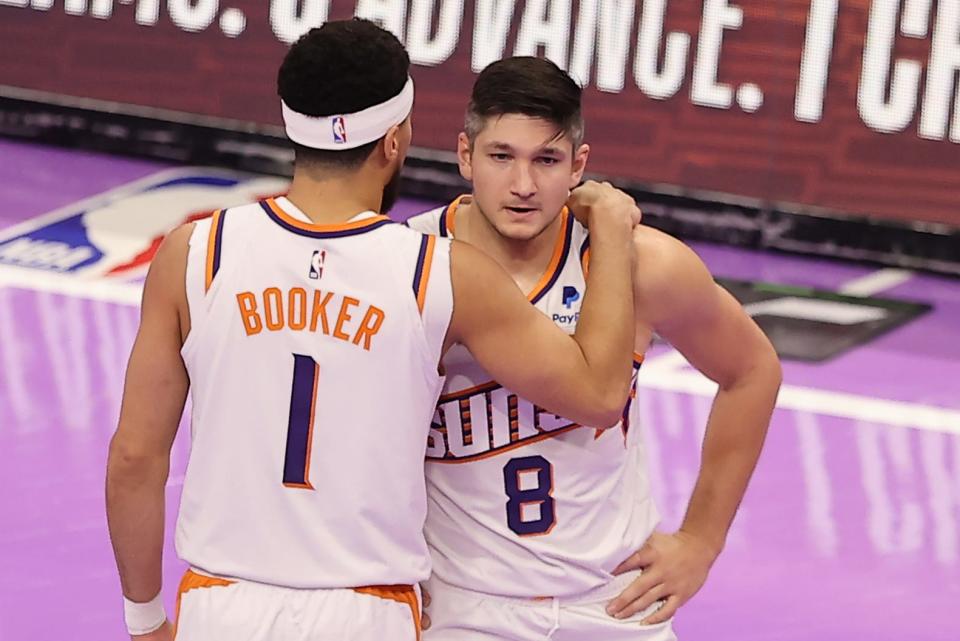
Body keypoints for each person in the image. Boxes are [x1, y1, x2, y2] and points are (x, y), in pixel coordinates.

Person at [105, 21, 641, 641]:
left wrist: (144, 619)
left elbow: (135, 458)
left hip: (222, 602)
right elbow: (600, 395)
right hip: (367, 610)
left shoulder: (195, 252)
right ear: (395, 139)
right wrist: (609, 228)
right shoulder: (440, 271)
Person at [406, 56, 782, 640]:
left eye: (547, 160)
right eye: (501, 156)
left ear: (579, 165)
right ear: (464, 155)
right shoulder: (409, 264)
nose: (523, 185)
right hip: (459, 609)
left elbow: (752, 371)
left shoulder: (640, 263)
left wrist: (700, 543)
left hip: (612, 606)